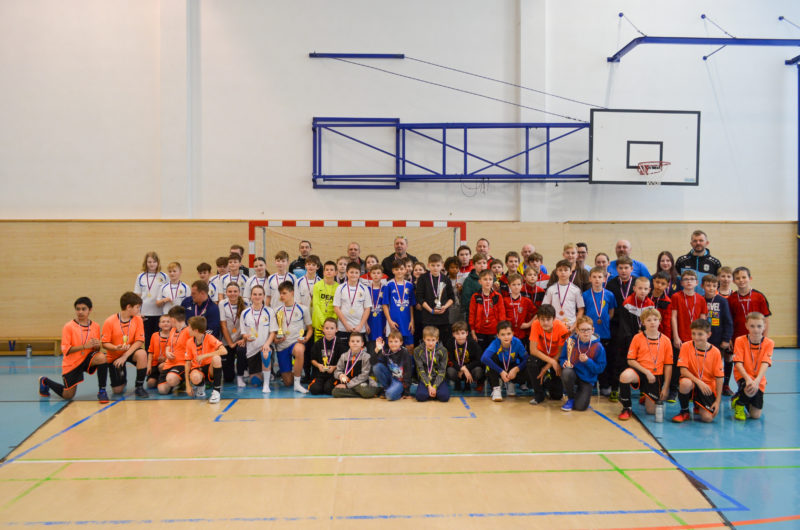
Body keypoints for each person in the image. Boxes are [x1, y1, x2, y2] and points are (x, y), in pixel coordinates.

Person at [39, 297, 107, 402]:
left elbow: (96, 349)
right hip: (72, 363)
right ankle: (45, 381)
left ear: (90, 310)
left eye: (83, 309)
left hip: (87, 359)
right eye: (78, 309)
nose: (80, 312)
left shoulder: (95, 326)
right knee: (68, 395)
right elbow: (65, 350)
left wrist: (98, 345)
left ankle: (102, 391)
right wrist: (84, 346)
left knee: (102, 357)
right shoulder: (69, 327)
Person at [618, 308, 673, 420]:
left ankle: (647, 395)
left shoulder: (666, 340)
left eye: (655, 319)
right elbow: (630, 360)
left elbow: (668, 365)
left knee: (651, 412)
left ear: (659, 321)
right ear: (643, 322)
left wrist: (666, 387)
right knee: (625, 376)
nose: (652, 322)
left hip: (656, 376)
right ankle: (627, 408)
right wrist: (646, 372)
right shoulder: (637, 338)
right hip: (641, 371)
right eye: (649, 320)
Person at [672, 319, 723, 423]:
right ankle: (684, 411)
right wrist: (699, 382)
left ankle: (698, 405)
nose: (696, 337)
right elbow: (683, 371)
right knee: (685, 383)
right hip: (693, 382)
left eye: (700, 334)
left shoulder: (715, 352)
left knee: (707, 419)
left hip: (707, 386)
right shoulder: (685, 346)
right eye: (693, 333)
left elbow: (719, 378)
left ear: (708, 334)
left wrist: (717, 402)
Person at [264, 281, 310, 394]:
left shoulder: (303, 309)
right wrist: (275, 340)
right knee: (287, 382)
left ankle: (297, 384)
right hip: (282, 346)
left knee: (299, 350)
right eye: (280, 293)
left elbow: (310, 329)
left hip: (296, 343)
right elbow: (274, 330)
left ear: (292, 293)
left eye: (284, 293)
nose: (281, 296)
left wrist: (306, 338)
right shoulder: (276, 310)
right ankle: (294, 375)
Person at [101, 292, 149, 398]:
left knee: (142, 354)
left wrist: (125, 356)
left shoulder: (138, 320)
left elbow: (139, 341)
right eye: (137, 307)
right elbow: (104, 343)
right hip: (115, 355)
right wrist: (115, 347)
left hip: (130, 352)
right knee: (117, 390)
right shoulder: (110, 321)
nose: (139, 310)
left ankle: (139, 387)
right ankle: (122, 377)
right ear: (128, 307)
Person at [601, 256, 635, 399]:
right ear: (616, 269)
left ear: (631, 269)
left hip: (633, 327)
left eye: (626, 268)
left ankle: (630, 386)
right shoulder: (611, 284)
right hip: (615, 326)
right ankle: (614, 386)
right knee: (615, 357)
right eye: (620, 268)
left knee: (632, 357)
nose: (623, 270)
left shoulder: (637, 284)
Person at [732, 312, 773, 421]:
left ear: (764, 326)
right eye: (752, 326)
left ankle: (739, 397)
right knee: (750, 387)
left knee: (755, 415)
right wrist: (748, 379)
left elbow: (765, 363)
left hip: (759, 377)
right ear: (746, 326)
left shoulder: (769, 343)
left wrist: (757, 380)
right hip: (743, 375)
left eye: (759, 326)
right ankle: (740, 404)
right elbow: (738, 363)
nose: (756, 330)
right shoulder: (740, 340)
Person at [559, 316, 607, 412]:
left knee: (580, 407)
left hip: (587, 379)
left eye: (588, 329)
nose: (586, 332)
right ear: (577, 331)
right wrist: (563, 363)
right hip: (573, 374)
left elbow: (600, 368)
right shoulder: (570, 341)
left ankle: (581, 394)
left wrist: (588, 361)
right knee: (566, 372)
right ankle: (571, 398)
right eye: (582, 330)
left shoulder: (598, 347)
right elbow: (562, 358)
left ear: (593, 330)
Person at [528, 304, 571, 405]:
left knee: (557, 396)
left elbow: (561, 352)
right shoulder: (535, 324)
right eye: (542, 319)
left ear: (554, 318)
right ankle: (539, 394)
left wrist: (546, 367)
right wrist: (551, 361)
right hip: (542, 355)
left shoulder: (562, 328)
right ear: (538, 319)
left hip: (556, 357)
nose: (545, 322)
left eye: (548, 319)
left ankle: (547, 381)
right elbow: (533, 350)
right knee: (531, 361)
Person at [240, 285, 277, 392]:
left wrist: (267, 344)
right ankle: (265, 373)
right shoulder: (245, 313)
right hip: (251, 350)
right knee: (255, 382)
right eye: (255, 294)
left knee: (265, 353)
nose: (257, 297)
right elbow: (243, 333)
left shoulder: (269, 311)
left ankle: (266, 385)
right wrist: (246, 337)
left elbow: (273, 332)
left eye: (260, 294)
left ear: (264, 296)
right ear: (251, 296)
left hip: (264, 346)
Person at [701, 275, 734, 395]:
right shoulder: (700, 299)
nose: (711, 288)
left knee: (717, 365)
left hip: (718, 339)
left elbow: (728, 321)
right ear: (702, 286)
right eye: (708, 285)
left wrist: (726, 339)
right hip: (703, 339)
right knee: (704, 363)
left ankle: (723, 385)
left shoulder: (722, 301)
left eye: (714, 286)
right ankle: (705, 385)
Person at [482, 321, 529, 402]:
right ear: (498, 335)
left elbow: (527, 358)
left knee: (529, 365)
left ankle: (511, 383)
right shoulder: (495, 343)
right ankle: (496, 388)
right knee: (491, 358)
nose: (506, 337)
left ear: (513, 333)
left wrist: (516, 369)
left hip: (512, 367)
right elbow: (484, 358)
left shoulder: (517, 342)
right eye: (503, 334)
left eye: (508, 334)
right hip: (500, 368)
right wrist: (501, 371)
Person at [185, 316, 226, 404]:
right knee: (195, 377)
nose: (187, 329)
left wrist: (205, 355)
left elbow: (224, 351)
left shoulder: (209, 338)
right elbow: (187, 364)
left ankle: (216, 392)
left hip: (209, 368)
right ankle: (200, 386)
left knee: (217, 358)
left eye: (189, 327)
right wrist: (187, 385)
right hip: (198, 368)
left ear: (196, 330)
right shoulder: (189, 342)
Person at [416, 254, 455, 342]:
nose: (435, 268)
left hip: (443, 318)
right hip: (428, 317)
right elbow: (420, 297)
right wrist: (431, 310)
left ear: (442, 265)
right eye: (433, 265)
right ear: (428, 265)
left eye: (438, 265)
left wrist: (445, 307)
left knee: (443, 342)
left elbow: (452, 297)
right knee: (428, 342)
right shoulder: (423, 279)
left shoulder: (446, 279)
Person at [333, 262, 372, 346]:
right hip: (343, 328)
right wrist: (346, 325)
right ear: (347, 273)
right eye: (351, 272)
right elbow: (336, 308)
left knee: (358, 352)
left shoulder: (364, 289)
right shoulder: (340, 288)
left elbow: (367, 309)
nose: (354, 275)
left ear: (359, 274)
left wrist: (360, 326)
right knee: (343, 352)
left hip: (359, 328)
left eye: (356, 272)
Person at [156, 306, 193, 395]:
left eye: (169, 320)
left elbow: (194, 349)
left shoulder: (188, 331)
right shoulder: (173, 330)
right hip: (170, 363)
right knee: (162, 390)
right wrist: (167, 352)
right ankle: (177, 381)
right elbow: (168, 345)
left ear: (173, 319)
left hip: (182, 363)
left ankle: (185, 381)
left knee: (171, 379)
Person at [134, 251, 168, 349]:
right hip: (145, 314)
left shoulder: (164, 276)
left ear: (158, 263)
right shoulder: (141, 276)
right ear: (146, 263)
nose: (152, 264)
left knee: (160, 340)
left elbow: (168, 293)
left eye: (154, 262)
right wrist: (138, 313)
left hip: (160, 313)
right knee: (148, 340)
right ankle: (148, 358)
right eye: (149, 262)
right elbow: (137, 296)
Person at [728, 266, 771, 343]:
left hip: (757, 337)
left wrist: (764, 337)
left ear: (750, 278)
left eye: (744, 277)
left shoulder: (759, 296)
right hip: (737, 337)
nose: (741, 280)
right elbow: (729, 321)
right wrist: (729, 338)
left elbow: (766, 318)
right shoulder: (731, 298)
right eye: (737, 278)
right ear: (733, 281)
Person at [382, 260, 416, 354]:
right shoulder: (388, 285)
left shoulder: (410, 285)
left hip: (407, 321)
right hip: (394, 321)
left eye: (401, 269)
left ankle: (409, 364)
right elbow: (385, 305)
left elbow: (411, 305)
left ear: (405, 270)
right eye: (397, 269)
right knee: (394, 347)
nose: (399, 271)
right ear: (393, 271)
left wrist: (412, 321)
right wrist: (389, 321)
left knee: (410, 347)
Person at [469, 270, 506, 352]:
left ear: (493, 281)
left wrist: (501, 332)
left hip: (494, 331)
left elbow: (502, 315)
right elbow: (472, 315)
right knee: (481, 353)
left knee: (494, 354)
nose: (488, 282)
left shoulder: (498, 296)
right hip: (479, 331)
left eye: (490, 279)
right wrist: (473, 332)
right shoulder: (475, 297)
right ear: (480, 281)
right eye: (485, 279)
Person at [671, 270, 708, 350]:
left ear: (696, 282)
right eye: (686, 279)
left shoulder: (701, 299)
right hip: (680, 337)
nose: (689, 281)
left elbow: (702, 320)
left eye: (692, 279)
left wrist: (702, 337)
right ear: (681, 283)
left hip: (696, 337)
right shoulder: (676, 296)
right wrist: (676, 337)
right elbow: (673, 317)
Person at [542, 259, 585, 330]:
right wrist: (550, 324)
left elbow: (581, 310)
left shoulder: (576, 290)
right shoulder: (551, 289)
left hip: (571, 326)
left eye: (566, 270)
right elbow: (545, 308)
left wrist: (574, 326)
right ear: (556, 272)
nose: (563, 272)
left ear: (570, 272)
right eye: (560, 270)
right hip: (554, 326)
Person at [220, 283, 248, 386]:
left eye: (235, 291)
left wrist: (244, 339)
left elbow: (249, 323)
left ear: (239, 292)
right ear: (226, 293)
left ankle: (241, 374)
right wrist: (230, 343)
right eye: (230, 291)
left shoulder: (246, 302)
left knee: (241, 350)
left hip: (241, 338)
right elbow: (223, 326)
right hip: (227, 340)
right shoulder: (222, 304)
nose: (233, 294)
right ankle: (234, 371)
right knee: (228, 378)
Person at [332, 333, 377, 398]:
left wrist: (347, 386)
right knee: (335, 392)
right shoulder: (344, 356)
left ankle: (374, 391)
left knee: (365, 392)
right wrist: (340, 375)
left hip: (361, 382)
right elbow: (337, 371)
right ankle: (361, 394)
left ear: (362, 344)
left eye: (357, 341)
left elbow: (364, 376)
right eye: (352, 341)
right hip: (347, 382)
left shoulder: (366, 356)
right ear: (349, 343)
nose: (355, 343)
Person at [582, 266, 616, 351]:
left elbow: (611, 312)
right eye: (594, 277)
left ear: (604, 279)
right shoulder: (585, 295)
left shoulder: (609, 295)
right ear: (590, 279)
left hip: (604, 331)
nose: (597, 279)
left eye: (600, 277)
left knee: (604, 353)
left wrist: (605, 318)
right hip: (589, 331)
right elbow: (583, 311)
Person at [445, 321, 484, 392]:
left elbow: (479, 360)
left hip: (470, 369)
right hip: (456, 368)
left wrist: (466, 368)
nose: (460, 336)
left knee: (478, 371)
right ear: (453, 334)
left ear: (467, 333)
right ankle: (457, 382)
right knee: (450, 371)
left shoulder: (472, 343)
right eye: (457, 333)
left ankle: (468, 382)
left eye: (462, 333)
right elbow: (450, 360)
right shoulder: (450, 343)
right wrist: (460, 368)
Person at [309, 318, 345, 395]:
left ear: (336, 329)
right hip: (320, 373)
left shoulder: (341, 344)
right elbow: (312, 359)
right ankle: (321, 385)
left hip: (334, 374)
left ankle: (327, 385)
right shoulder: (318, 343)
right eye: (327, 328)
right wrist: (318, 365)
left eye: (332, 328)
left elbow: (344, 362)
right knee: (314, 390)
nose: (329, 331)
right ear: (323, 329)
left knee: (328, 390)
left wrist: (334, 367)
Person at [373, 331, 413, 400]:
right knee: (377, 367)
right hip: (390, 377)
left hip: (399, 381)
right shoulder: (386, 351)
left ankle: (398, 392)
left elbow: (408, 372)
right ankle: (386, 388)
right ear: (388, 342)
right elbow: (374, 362)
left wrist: (406, 392)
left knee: (389, 396)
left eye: (396, 341)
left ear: (401, 342)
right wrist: (377, 350)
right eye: (391, 341)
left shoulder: (405, 352)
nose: (393, 344)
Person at [414, 326, 450, 402]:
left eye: (433, 340)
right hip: (425, 378)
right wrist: (429, 386)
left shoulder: (443, 350)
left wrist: (435, 386)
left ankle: (433, 392)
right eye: (428, 340)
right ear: (424, 339)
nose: (430, 343)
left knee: (444, 397)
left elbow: (442, 370)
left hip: (438, 378)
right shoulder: (417, 350)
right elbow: (420, 370)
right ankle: (431, 392)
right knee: (420, 396)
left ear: (437, 339)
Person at [503, 274, 536, 351]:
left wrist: (529, 324)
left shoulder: (526, 301)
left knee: (522, 353)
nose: (516, 287)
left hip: (522, 334)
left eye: (518, 284)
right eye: (513, 284)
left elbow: (537, 314)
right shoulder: (504, 300)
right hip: (508, 333)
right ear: (509, 286)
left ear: (522, 285)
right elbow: (502, 316)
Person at [311, 261, 338, 340]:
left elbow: (338, 306)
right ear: (323, 272)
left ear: (336, 272)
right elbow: (316, 304)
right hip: (319, 321)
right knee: (319, 344)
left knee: (331, 343)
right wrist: (323, 321)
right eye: (327, 270)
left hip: (332, 321)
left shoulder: (338, 287)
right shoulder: (317, 285)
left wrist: (332, 321)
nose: (329, 271)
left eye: (331, 270)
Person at [146, 314, 172, 389]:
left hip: (167, 363)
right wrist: (149, 365)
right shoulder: (154, 335)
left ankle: (166, 381)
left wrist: (166, 359)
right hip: (155, 363)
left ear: (171, 324)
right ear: (159, 324)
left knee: (161, 367)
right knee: (150, 384)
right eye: (163, 322)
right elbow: (150, 352)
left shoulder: (173, 336)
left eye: (168, 321)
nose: (166, 323)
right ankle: (159, 379)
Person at [460, 253, 487, 320]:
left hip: (490, 315)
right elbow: (466, 301)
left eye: (484, 263)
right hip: (474, 315)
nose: (482, 265)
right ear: (474, 265)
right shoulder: (469, 280)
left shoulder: (493, 279)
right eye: (479, 263)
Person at [365, 264, 387, 345]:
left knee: (382, 343)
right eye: (373, 273)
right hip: (370, 320)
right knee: (371, 344)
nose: (376, 275)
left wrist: (387, 324)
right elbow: (363, 308)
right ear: (370, 274)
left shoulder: (386, 288)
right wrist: (365, 324)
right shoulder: (366, 289)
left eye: (378, 273)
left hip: (382, 320)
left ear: (382, 275)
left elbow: (389, 307)